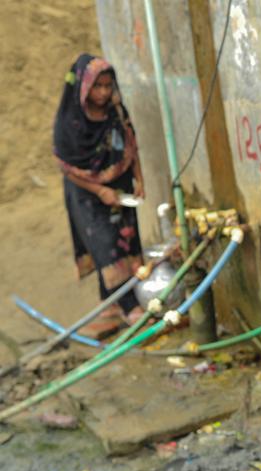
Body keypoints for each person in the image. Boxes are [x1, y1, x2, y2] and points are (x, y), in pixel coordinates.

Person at [54, 54, 145, 338]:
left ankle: (110, 304)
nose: (104, 92)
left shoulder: (116, 110)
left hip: (121, 186)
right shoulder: (69, 123)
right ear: (83, 87)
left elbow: (131, 143)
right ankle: (131, 309)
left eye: (108, 85)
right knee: (106, 247)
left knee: (125, 241)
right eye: (98, 87)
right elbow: (66, 167)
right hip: (86, 195)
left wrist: (139, 179)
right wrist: (100, 190)